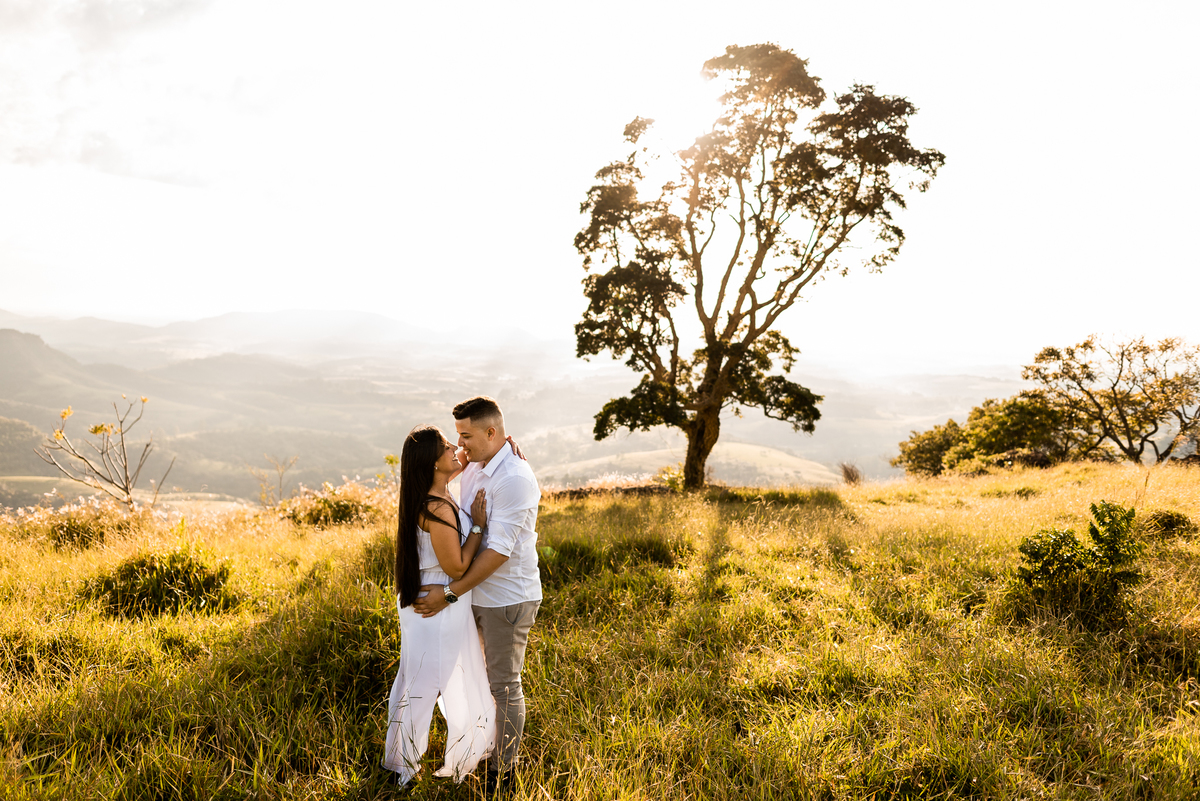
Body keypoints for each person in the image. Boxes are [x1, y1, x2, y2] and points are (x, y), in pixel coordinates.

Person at [414, 395, 542, 794]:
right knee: (479, 679)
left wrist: (449, 594)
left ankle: (503, 773)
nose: (460, 446)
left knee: (504, 683)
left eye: (466, 436)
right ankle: (483, 747)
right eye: (457, 437)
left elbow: (499, 552)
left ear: (490, 432)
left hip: (505, 598)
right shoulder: (477, 463)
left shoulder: (514, 479)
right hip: (476, 596)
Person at [382, 424, 497, 786]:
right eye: (447, 446)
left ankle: (414, 755)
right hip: (438, 608)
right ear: (433, 463)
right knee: (430, 682)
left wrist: (503, 443)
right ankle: (407, 762)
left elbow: (469, 454)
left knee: (430, 678)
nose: (455, 449)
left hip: (441, 605)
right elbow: (457, 566)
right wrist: (477, 527)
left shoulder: (438, 496)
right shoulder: (436, 508)